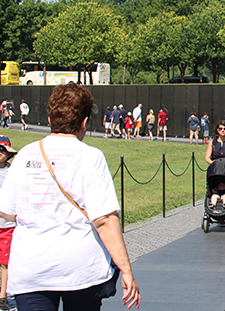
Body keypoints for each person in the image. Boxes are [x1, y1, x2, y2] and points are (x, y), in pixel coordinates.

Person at [0, 83, 140, 310]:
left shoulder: (25, 153)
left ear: (49, 118)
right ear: (84, 122)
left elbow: (7, 210)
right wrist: (126, 269)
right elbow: (104, 219)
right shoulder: (90, 157)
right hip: (80, 268)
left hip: (31, 266)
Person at [0, 135, 17, 311]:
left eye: (3, 150)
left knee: (5, 262)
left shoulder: (12, 172)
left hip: (6, 225)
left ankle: (2, 295)